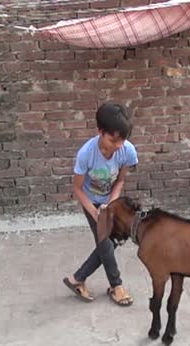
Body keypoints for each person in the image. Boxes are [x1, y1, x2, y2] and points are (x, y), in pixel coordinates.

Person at [63, 102, 138, 306]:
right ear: (100, 131)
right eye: (113, 139)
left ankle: (77, 279)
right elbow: (77, 189)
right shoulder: (86, 154)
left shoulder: (127, 151)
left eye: (122, 139)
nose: (118, 145)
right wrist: (97, 214)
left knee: (113, 241)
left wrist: (111, 206)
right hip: (91, 201)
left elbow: (120, 180)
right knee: (105, 243)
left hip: (110, 200)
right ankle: (116, 286)